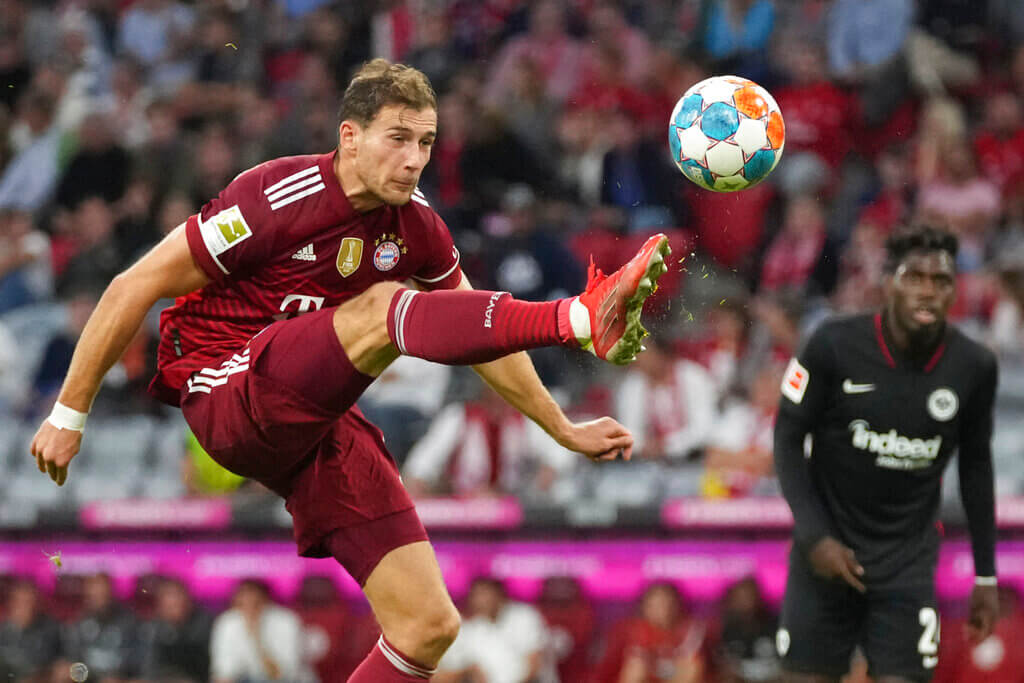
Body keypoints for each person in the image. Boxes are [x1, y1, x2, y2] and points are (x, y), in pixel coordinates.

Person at [29, 58, 670, 682]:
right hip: (225, 388)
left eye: (426, 142)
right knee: (381, 310)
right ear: (350, 136)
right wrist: (69, 414)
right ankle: (579, 319)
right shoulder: (275, 196)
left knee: (428, 627)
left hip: (313, 420)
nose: (415, 158)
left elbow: (482, 335)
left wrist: (560, 426)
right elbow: (131, 287)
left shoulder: (417, 228)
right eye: (398, 138)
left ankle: (580, 322)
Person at [773, 225, 999, 682]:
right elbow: (787, 438)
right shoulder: (832, 345)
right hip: (826, 555)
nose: (928, 292)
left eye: (940, 282)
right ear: (888, 281)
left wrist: (986, 575)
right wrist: (816, 536)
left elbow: (976, 466)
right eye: (914, 278)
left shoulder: (974, 366)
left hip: (906, 565)